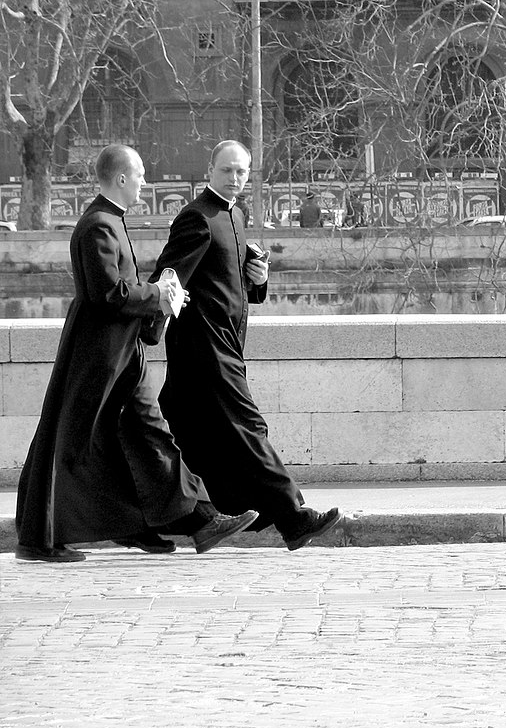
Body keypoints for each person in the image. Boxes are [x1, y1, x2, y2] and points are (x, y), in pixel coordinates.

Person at [15, 144, 258, 562]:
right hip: (100, 355)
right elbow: (107, 293)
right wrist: (158, 295)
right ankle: (39, 539)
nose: (146, 181)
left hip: (119, 352)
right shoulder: (98, 226)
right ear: (122, 178)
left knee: (149, 432)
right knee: (72, 441)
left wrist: (154, 301)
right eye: (141, 174)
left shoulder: (109, 220)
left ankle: (181, 522)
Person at [148, 140, 342, 551]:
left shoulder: (236, 214)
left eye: (242, 172)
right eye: (227, 171)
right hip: (204, 346)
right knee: (248, 427)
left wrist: (259, 279)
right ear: (210, 169)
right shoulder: (195, 218)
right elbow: (168, 277)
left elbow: (233, 286)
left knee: (184, 437)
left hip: (225, 344)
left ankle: (177, 519)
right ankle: (293, 517)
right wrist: (146, 323)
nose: (235, 179)